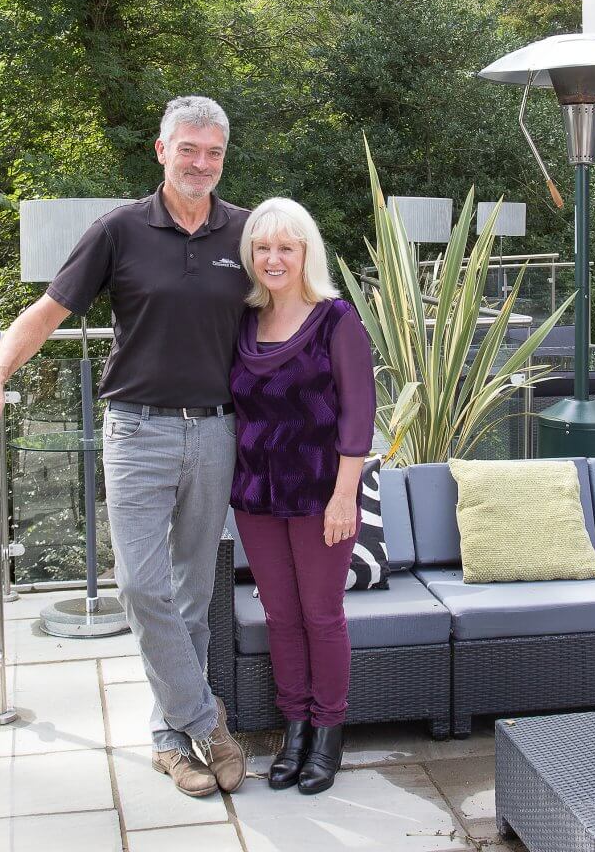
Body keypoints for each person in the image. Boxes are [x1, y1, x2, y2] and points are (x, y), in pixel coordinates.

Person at [0, 96, 249, 798]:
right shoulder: (119, 230)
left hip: (216, 431)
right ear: (162, 151)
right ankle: (205, 721)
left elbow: (291, 314)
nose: (200, 164)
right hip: (136, 431)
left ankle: (168, 742)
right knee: (141, 587)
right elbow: (47, 312)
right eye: (189, 149)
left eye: (212, 152)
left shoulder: (244, 232)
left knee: (192, 593)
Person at [230, 197, 377, 795]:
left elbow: (359, 414)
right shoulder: (242, 320)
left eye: (285, 248)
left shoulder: (336, 319)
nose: (272, 258)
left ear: (305, 253)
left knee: (321, 615)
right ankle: (293, 732)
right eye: (262, 248)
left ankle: (327, 736)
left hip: (321, 493)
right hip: (255, 495)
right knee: (281, 617)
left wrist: (347, 496)